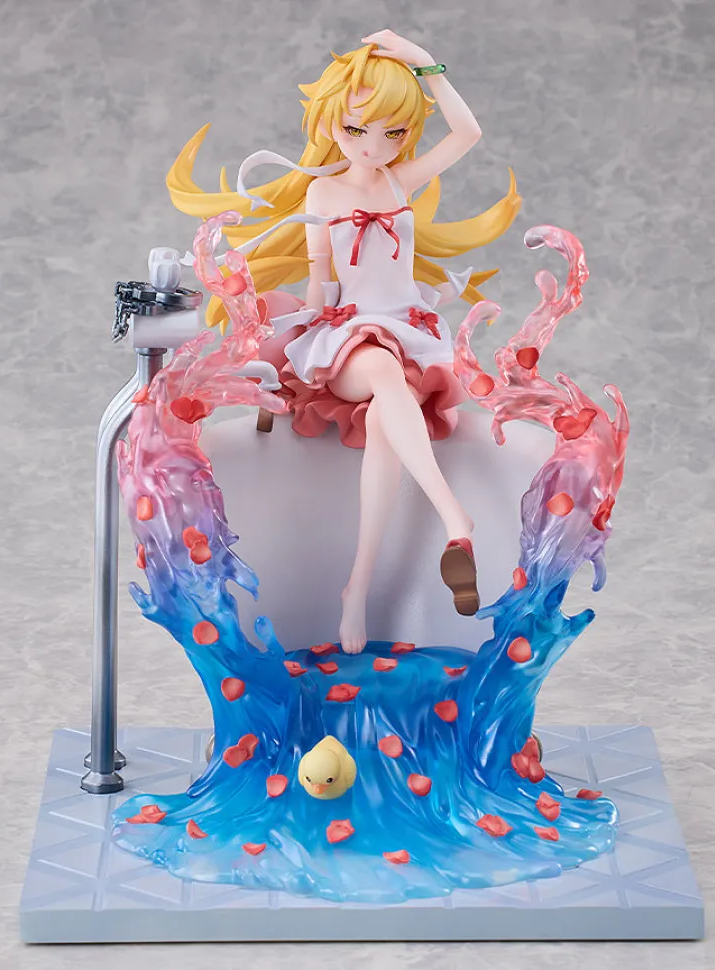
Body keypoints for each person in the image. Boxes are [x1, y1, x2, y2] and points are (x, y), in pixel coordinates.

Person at [167, 30, 521, 654]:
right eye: (357, 130)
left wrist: (425, 64)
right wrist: (301, 335)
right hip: (349, 334)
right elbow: (319, 278)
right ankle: (453, 516)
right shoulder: (322, 192)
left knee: (387, 420)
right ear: (332, 124)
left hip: (408, 330)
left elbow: (467, 133)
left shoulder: (400, 182)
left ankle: (355, 591)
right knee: (381, 372)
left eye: (392, 133)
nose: (373, 146)